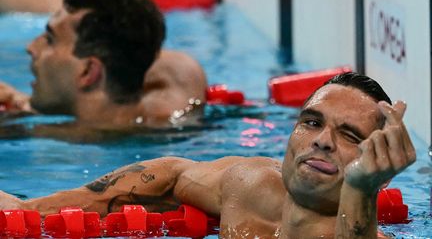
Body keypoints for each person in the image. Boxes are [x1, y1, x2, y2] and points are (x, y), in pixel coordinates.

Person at [0, 73, 416, 238]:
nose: (322, 141)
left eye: (348, 135)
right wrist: (33, 212)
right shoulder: (250, 184)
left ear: (382, 165)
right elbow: (173, 172)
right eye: (311, 122)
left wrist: (361, 189)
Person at [0, 0, 207, 132]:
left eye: (50, 39)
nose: (31, 47)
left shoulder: (66, 144)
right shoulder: (183, 81)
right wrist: (21, 101)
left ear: (89, 71)